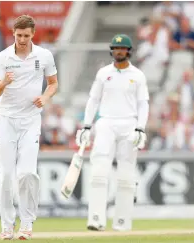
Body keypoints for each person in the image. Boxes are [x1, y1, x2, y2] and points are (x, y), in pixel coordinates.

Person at [0, 15, 58, 240]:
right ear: (13, 33)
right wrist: (4, 82)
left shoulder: (44, 55)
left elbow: (53, 83)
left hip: (31, 121)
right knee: (7, 176)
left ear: (32, 34)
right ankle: (7, 226)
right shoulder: (3, 57)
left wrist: (45, 97)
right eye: (18, 35)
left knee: (27, 173)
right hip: (7, 121)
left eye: (26, 36)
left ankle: (27, 223)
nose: (21, 39)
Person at [75, 34, 149, 231]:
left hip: (129, 123)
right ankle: (96, 218)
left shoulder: (138, 75)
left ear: (128, 51)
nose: (119, 51)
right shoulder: (103, 73)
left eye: (122, 48)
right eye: (116, 48)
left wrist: (140, 128)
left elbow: (143, 104)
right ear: (112, 50)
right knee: (99, 170)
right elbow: (93, 100)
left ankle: (122, 222)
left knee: (126, 174)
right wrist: (86, 126)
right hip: (106, 122)